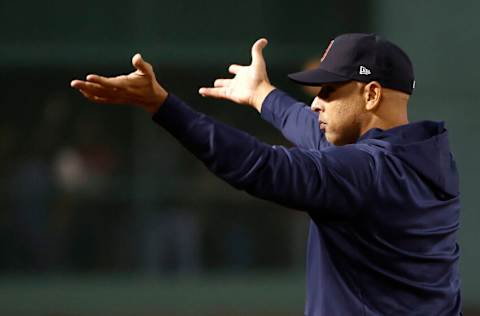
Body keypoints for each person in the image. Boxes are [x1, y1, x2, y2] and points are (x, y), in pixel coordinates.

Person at [71, 33, 462, 315]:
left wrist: (164, 106)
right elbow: (318, 137)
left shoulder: (365, 173)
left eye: (327, 91)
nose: (315, 104)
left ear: (372, 94)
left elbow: (263, 166)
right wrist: (262, 95)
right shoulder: (428, 157)